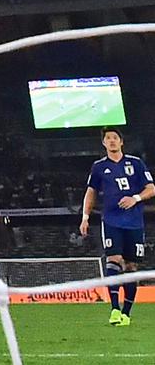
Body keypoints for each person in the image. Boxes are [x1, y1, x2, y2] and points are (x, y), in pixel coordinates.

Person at [80, 128, 153, 327]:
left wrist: (135, 198)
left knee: (131, 267)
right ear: (104, 144)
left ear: (121, 142)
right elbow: (91, 192)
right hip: (111, 220)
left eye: (114, 138)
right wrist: (85, 217)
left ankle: (126, 314)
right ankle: (114, 309)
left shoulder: (136, 163)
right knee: (113, 260)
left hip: (134, 222)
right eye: (107, 138)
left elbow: (151, 188)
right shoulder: (98, 167)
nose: (111, 141)